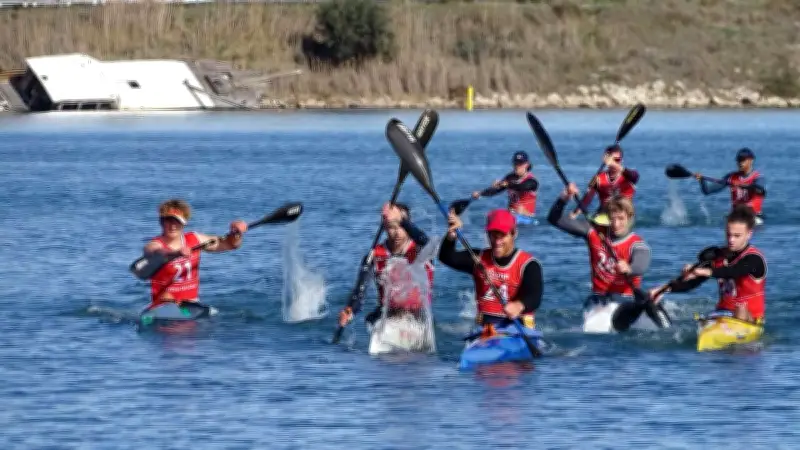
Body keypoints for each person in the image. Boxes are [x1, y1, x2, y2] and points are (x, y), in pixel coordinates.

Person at [548, 183, 668, 331]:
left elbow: (642, 264)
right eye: (612, 218)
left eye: (621, 218)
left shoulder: (637, 245)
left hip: (625, 302)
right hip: (599, 301)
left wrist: (629, 268)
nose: (616, 224)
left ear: (630, 217)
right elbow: (554, 219)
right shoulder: (593, 232)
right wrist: (563, 198)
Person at [649, 205, 766, 323]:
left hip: (749, 318)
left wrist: (705, 271)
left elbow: (734, 271)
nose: (731, 240)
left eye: (737, 236)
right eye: (728, 234)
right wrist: (662, 290)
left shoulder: (754, 259)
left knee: (740, 308)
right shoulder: (718, 257)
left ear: (749, 234)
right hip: (722, 313)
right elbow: (692, 283)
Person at [439, 208, 543, 330]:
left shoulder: (529, 265)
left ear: (514, 234)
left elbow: (534, 297)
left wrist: (519, 305)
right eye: (493, 236)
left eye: (502, 236)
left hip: (519, 328)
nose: (497, 242)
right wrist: (451, 237)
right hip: (487, 331)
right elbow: (447, 258)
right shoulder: (478, 259)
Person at [338, 203, 434, 328]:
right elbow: (359, 291)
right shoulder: (373, 256)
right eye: (392, 227)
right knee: (371, 319)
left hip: (417, 316)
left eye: (402, 226)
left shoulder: (421, 250)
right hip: (388, 314)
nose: (397, 233)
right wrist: (350, 310)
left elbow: (426, 242)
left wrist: (401, 220)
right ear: (384, 227)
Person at [144, 199, 248, 309]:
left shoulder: (195, 239)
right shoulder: (154, 245)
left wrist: (237, 234)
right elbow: (157, 252)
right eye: (168, 220)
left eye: (177, 221)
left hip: (192, 305)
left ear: (184, 222)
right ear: (161, 222)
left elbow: (229, 244)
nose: (173, 226)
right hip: (162, 307)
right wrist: (176, 253)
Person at [694, 147, 766, 225]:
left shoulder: (758, 177)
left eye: (743, 160)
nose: (740, 162)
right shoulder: (731, 177)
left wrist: (742, 185)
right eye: (738, 160)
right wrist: (701, 180)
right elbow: (707, 191)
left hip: (754, 217)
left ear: (751, 160)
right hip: (736, 216)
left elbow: (759, 189)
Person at [573, 144, 639, 218]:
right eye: (611, 160)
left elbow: (635, 176)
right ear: (605, 161)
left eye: (617, 160)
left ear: (622, 160)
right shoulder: (597, 178)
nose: (613, 163)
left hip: (623, 216)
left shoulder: (630, 176)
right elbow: (587, 199)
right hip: (604, 215)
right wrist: (574, 214)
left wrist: (612, 163)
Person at [472, 151, 539, 223]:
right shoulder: (510, 177)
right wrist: (480, 193)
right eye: (515, 163)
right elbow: (496, 190)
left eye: (520, 164)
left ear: (527, 165)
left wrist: (505, 184)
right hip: (511, 218)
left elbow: (521, 186)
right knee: (491, 216)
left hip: (527, 219)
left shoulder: (532, 181)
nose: (517, 166)